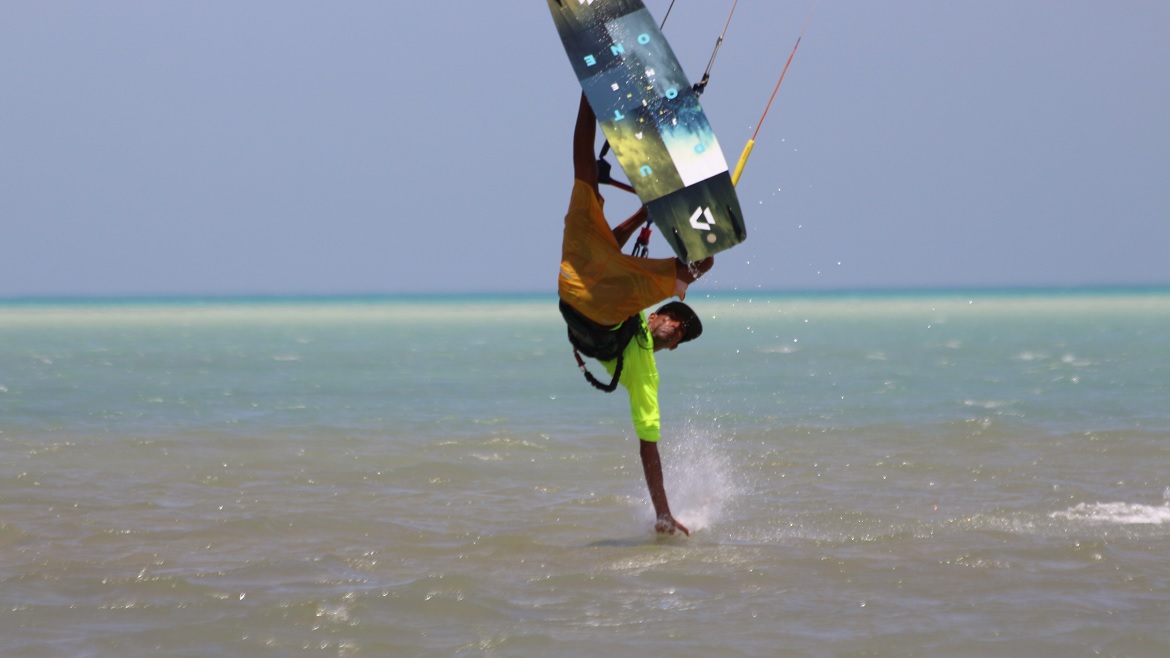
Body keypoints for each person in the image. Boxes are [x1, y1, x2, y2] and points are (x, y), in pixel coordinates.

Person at [558, 93, 713, 536]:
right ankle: (589, 95)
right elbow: (609, 249)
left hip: (591, 308)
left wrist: (662, 513)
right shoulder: (635, 300)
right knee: (585, 178)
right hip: (577, 277)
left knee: (700, 266)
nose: (676, 331)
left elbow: (649, 448)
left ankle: (687, 216)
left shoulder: (644, 368)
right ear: (663, 312)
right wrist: (644, 212)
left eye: (681, 334)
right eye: (678, 321)